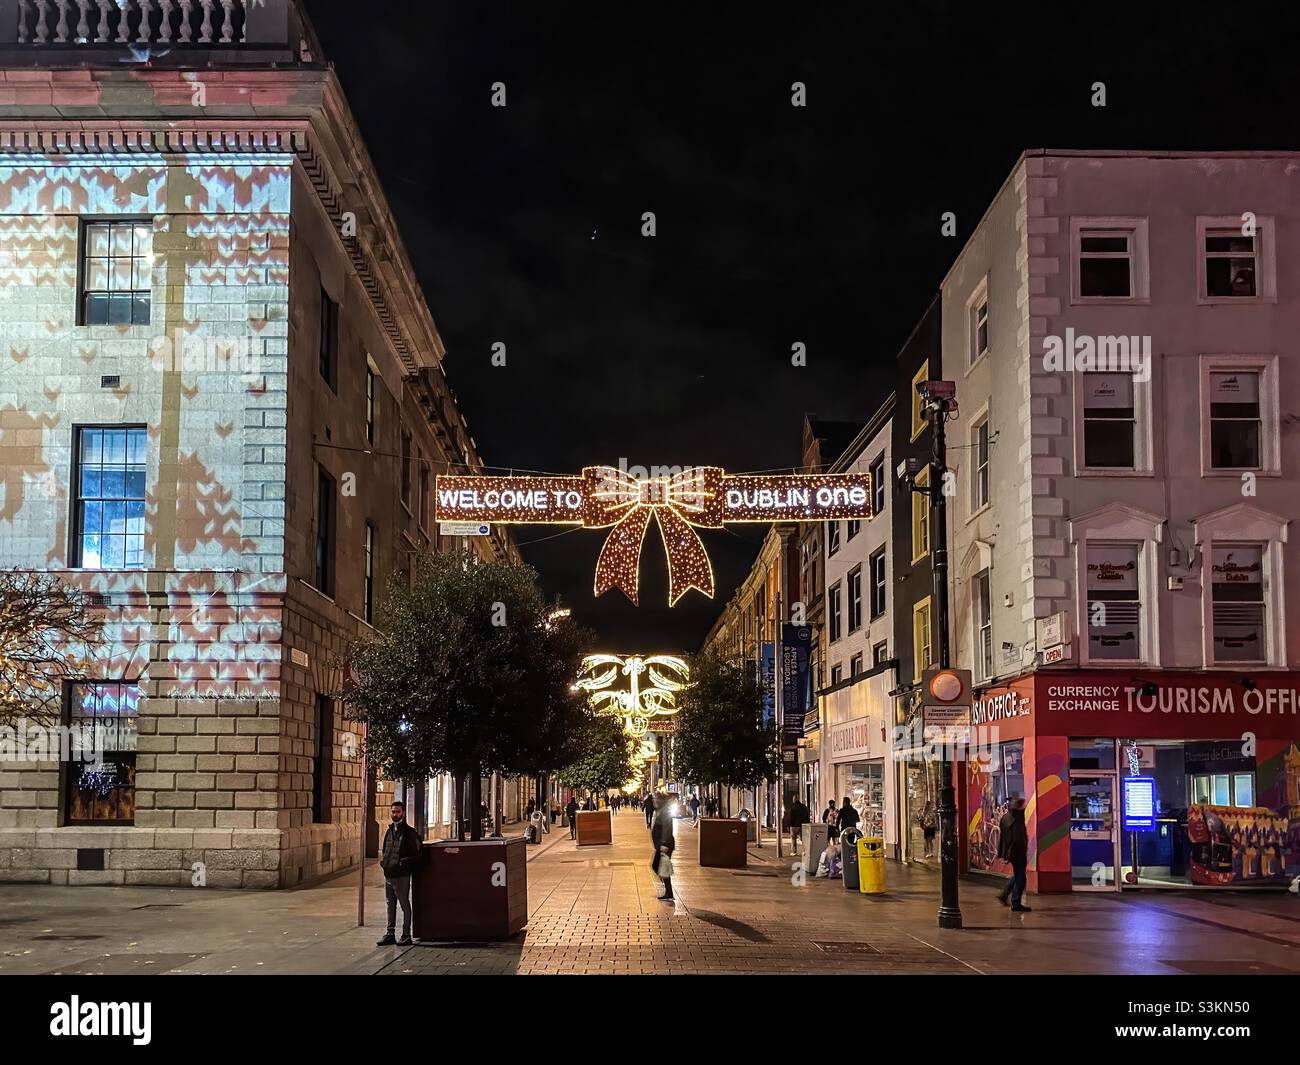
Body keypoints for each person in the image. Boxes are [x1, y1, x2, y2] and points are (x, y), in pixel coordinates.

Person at [377, 801, 421, 946]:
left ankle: (406, 934)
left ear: (403, 813)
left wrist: (403, 863)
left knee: (404, 904)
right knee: (390, 904)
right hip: (389, 873)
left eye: (397, 812)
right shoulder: (389, 831)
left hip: (401, 874)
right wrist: (384, 864)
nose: (395, 814)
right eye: (393, 812)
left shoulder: (409, 832)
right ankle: (390, 933)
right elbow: (385, 849)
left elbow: (416, 854)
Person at [997, 794, 1031, 912]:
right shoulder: (1017, 818)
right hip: (1017, 851)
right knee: (1021, 877)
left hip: (1011, 852)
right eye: (1022, 804)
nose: (1024, 806)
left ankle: (1004, 894)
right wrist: (1023, 848)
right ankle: (1016, 903)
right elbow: (1017, 838)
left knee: (1018, 874)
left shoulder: (1006, 817)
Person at [650, 792, 676, 902]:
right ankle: (668, 891)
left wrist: (664, 844)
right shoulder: (660, 810)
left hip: (665, 845)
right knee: (659, 866)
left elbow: (667, 828)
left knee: (658, 866)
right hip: (661, 845)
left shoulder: (664, 811)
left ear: (661, 800)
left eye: (656, 799)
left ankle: (668, 891)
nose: (654, 801)